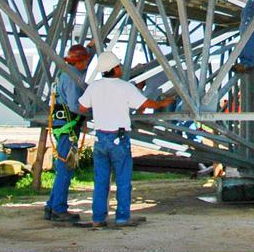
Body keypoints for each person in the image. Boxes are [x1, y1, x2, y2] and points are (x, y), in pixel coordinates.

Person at [77, 51, 175, 228]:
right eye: (119, 66)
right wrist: (161, 104)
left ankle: (98, 218)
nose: (121, 68)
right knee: (122, 180)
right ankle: (122, 217)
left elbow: (82, 106)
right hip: (118, 139)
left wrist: (101, 108)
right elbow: (145, 104)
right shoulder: (125, 87)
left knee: (101, 181)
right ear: (114, 69)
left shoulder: (94, 86)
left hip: (101, 138)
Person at [44, 43, 93, 223]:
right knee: (65, 168)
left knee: (63, 167)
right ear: (79, 62)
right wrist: (93, 112)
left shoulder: (65, 73)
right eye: (85, 61)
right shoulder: (73, 80)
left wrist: (91, 46)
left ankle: (51, 206)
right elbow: (75, 106)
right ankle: (58, 209)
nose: (87, 65)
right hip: (69, 128)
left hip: (63, 126)